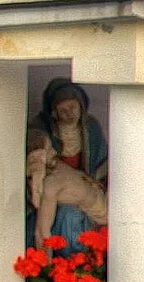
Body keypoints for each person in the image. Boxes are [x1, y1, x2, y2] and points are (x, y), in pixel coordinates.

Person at [30, 78, 108, 246]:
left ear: (80, 106)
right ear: (54, 113)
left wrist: (93, 181)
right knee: (66, 216)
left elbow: (103, 163)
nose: (69, 113)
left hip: (85, 187)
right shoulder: (44, 127)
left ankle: (74, 262)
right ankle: (62, 264)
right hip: (53, 187)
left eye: (72, 107)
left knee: (74, 216)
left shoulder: (91, 128)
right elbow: (36, 143)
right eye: (63, 110)